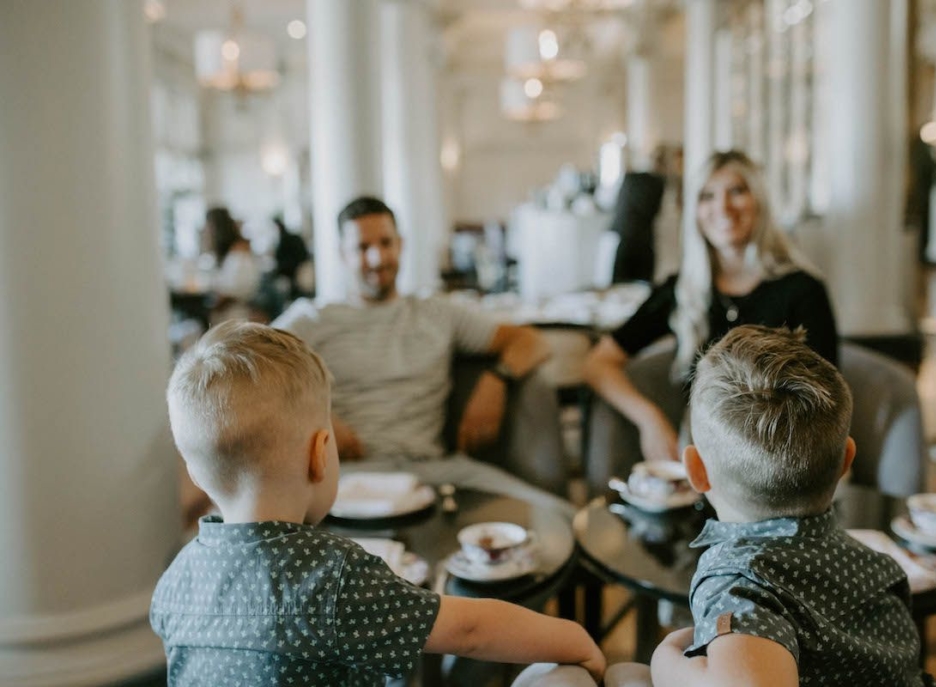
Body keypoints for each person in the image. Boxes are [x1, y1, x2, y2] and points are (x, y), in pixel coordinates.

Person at [152, 321, 605, 686]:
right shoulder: (331, 576)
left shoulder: (174, 582)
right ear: (319, 452)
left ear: (196, 474)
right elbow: (470, 630)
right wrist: (576, 641)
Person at [646, 325, 927, 686]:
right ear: (846, 462)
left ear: (696, 472)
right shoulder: (874, 565)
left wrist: (665, 664)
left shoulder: (739, 582)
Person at [273, 196, 569, 506]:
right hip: (351, 478)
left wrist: (498, 379)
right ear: (342, 255)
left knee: (555, 513)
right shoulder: (314, 318)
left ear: (401, 245)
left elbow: (535, 342)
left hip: (436, 471)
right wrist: (315, 417)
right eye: (362, 248)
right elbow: (247, 368)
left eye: (386, 243)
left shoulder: (438, 312)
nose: (377, 258)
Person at [583, 150, 838, 489]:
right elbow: (598, 365)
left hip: (783, 464)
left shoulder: (803, 289)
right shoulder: (681, 289)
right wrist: (651, 421)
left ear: (759, 202)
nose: (723, 207)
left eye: (737, 191)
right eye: (707, 196)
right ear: (695, 211)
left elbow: (827, 400)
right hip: (700, 468)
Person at [203, 206, 261, 322]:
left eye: (209, 227)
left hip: (236, 318)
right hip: (226, 317)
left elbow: (241, 288)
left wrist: (219, 302)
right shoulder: (225, 254)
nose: (206, 232)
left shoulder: (239, 253)